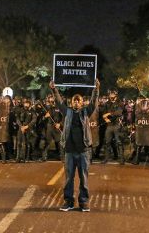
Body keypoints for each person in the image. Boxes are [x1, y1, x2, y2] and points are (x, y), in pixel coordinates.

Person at [50, 79, 99, 212]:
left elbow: (94, 103)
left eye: (79, 100)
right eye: (74, 100)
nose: (76, 102)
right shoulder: (67, 112)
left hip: (83, 151)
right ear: (71, 103)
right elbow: (59, 102)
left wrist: (96, 89)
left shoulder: (85, 112)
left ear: (82, 102)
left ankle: (83, 202)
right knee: (68, 179)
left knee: (83, 178)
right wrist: (54, 89)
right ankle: (68, 202)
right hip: (69, 151)